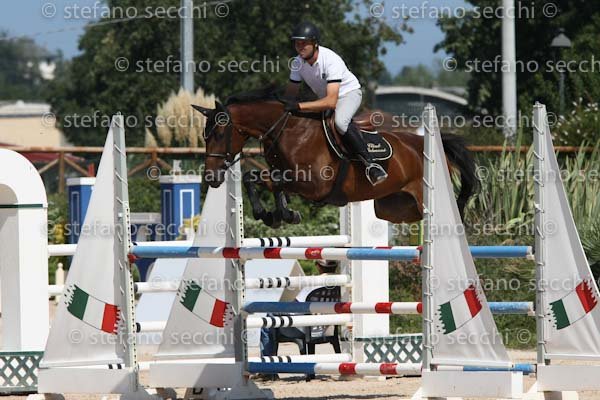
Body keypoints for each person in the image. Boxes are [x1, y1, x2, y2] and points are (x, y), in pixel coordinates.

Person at [282, 21, 388, 186]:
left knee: (340, 122)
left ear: (315, 43)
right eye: (297, 43)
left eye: (304, 43)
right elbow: (291, 94)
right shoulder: (297, 63)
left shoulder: (330, 59)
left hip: (348, 94)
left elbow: (331, 102)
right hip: (325, 99)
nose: (300, 47)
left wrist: (299, 106)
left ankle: (371, 164)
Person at [257, 260, 341, 380]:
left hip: (306, 329)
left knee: (270, 319)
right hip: (327, 328)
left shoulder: (313, 282)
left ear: (318, 266)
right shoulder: (340, 282)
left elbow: (295, 305)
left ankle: (268, 370)